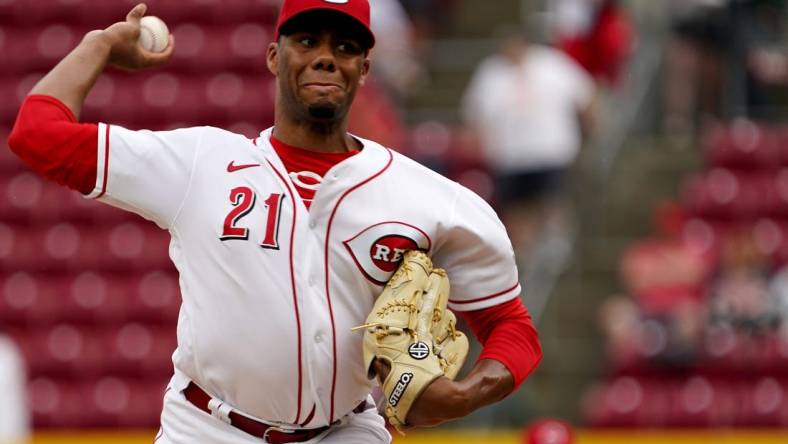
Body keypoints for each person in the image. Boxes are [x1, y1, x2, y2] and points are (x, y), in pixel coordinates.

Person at [7, 1, 542, 443]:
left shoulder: (430, 198)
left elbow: (513, 328)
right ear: (272, 56)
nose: (326, 58)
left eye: (345, 46)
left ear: (365, 68)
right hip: (206, 429)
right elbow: (37, 136)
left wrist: (469, 393)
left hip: (346, 430)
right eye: (307, 41)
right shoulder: (201, 163)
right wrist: (98, 45)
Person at [462, 28, 595, 265]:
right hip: (511, 157)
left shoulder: (552, 65)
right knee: (517, 209)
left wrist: (589, 134)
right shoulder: (491, 73)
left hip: (551, 152)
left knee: (553, 201)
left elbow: (585, 97)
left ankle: (558, 251)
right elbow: (475, 115)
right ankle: (527, 257)